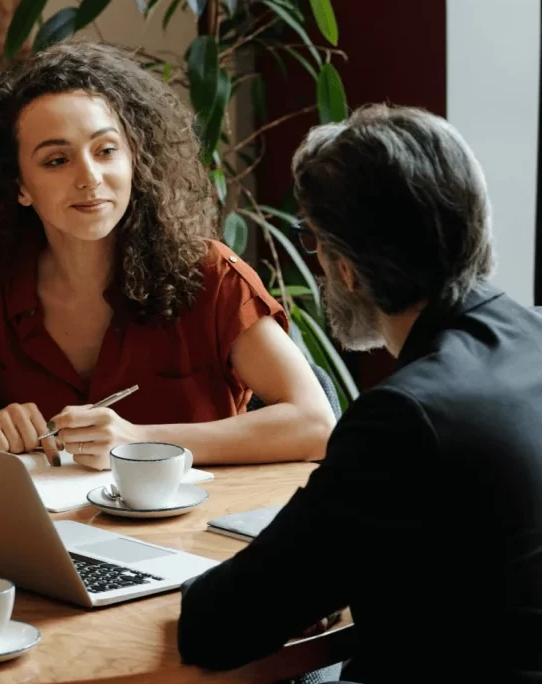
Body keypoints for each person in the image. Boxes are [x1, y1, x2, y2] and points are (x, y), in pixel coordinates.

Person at [0, 42, 334, 470]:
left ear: (136, 159)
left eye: (106, 150)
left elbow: (315, 423)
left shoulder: (210, 275)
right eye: (56, 159)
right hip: (33, 546)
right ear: (20, 187)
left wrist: (138, 442)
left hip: (196, 544)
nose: (89, 176)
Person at [177, 104, 542, 683]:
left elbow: (215, 627)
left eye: (312, 241)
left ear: (345, 268)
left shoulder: (405, 417)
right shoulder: (534, 340)